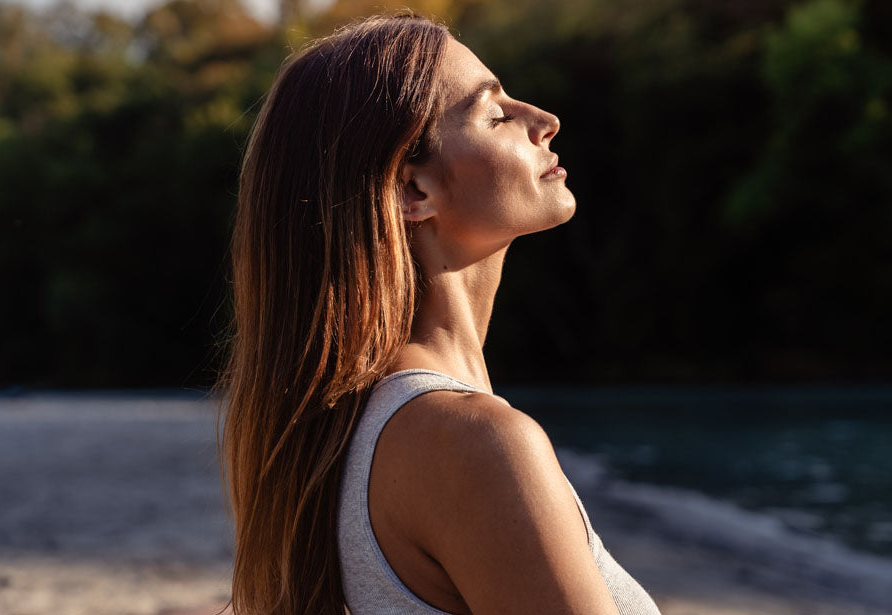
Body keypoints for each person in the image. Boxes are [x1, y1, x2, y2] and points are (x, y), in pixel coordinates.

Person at [219, 12, 661, 615]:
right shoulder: (477, 445)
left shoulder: (336, 439)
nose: (545, 121)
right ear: (412, 192)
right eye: (495, 114)